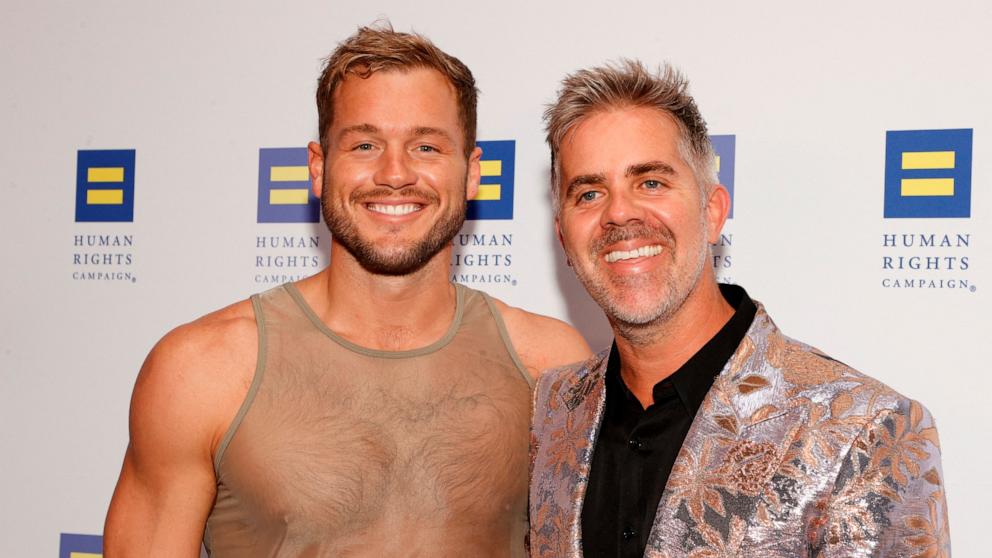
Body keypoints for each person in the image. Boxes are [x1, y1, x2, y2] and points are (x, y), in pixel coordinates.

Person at [104, 25, 590, 557]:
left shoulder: (551, 364)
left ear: (471, 173)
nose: (395, 173)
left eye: (426, 146)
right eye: (364, 144)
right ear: (318, 168)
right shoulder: (201, 369)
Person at [529, 60, 950, 557]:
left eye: (650, 183)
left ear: (712, 212)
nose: (618, 213)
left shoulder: (867, 429)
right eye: (590, 192)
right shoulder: (553, 407)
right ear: (563, 236)